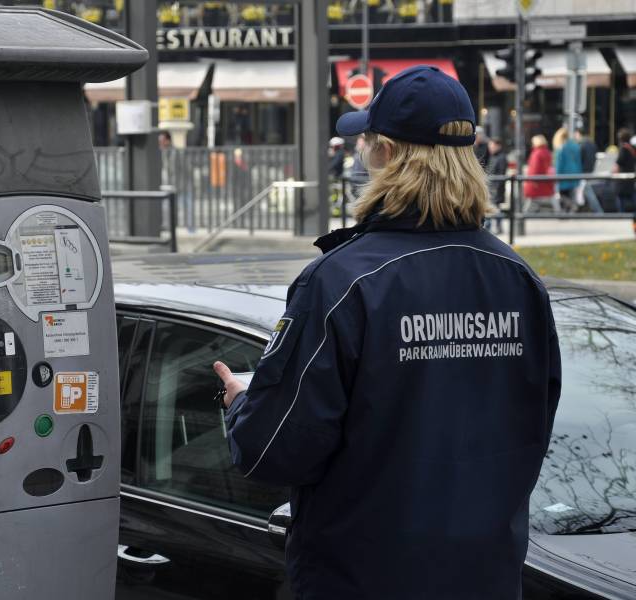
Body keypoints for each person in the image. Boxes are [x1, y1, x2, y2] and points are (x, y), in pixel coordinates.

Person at [214, 65, 561, 600]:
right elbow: (533, 425)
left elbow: (273, 451)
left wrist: (243, 403)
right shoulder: (518, 280)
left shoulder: (343, 281)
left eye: (367, 141)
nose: (360, 153)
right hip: (485, 578)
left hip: (363, 578)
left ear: (388, 154)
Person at [523, 134, 559, 212]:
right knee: (551, 197)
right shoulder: (547, 152)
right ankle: (558, 211)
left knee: (531, 199)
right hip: (545, 180)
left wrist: (532, 180)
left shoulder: (536, 153)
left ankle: (523, 215)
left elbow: (534, 168)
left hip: (537, 182)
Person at [573, 128, 604, 213]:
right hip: (590, 171)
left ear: (578, 134)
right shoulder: (592, 143)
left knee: (587, 192)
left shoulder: (581, 144)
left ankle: (598, 212)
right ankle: (586, 210)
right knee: (585, 191)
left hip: (583, 172)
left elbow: (579, 159)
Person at [553, 127, 582, 211]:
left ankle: (570, 208)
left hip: (564, 176)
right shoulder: (575, 146)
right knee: (571, 194)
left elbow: (559, 164)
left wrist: (556, 176)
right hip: (575, 174)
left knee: (563, 196)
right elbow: (579, 161)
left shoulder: (561, 147)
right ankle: (572, 209)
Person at [485, 136, 507, 233]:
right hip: (490, 187)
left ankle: (494, 227)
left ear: (498, 146)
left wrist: (496, 189)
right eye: (490, 146)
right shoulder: (492, 156)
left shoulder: (501, 157)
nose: (490, 148)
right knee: (493, 207)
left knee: (495, 207)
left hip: (496, 188)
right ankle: (491, 226)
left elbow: (501, 173)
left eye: (492, 146)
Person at [612, 128, 635, 213]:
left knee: (620, 198)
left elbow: (618, 163)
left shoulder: (623, 149)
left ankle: (621, 215)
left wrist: (613, 173)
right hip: (630, 177)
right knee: (631, 195)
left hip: (622, 178)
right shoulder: (632, 148)